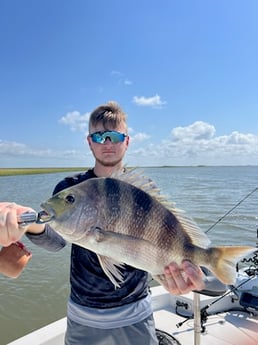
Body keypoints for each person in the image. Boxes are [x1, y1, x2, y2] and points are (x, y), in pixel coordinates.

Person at [0, 101, 205, 345]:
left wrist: (173, 277)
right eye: (99, 136)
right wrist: (30, 223)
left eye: (114, 136)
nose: (107, 143)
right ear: (89, 142)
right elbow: (57, 243)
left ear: (126, 141)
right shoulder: (68, 190)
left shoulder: (143, 192)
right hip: (82, 315)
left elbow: (156, 250)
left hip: (136, 312)